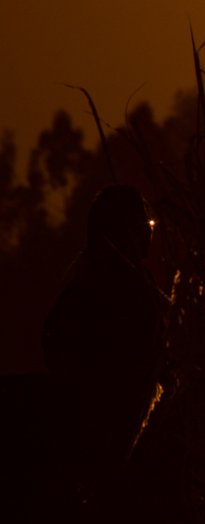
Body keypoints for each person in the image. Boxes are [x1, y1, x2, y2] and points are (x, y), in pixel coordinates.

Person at [42, 181, 167, 470]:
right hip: (111, 425)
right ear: (125, 229)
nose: (150, 230)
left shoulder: (130, 275)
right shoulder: (103, 277)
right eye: (144, 222)